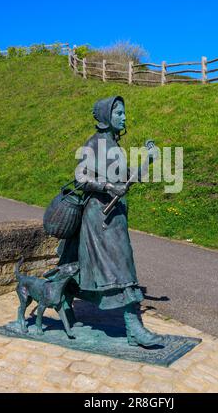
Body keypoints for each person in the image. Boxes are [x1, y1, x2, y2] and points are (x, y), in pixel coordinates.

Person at [57, 96, 164, 347]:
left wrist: (149, 159)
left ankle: (64, 297)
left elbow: (127, 181)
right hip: (99, 217)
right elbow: (80, 178)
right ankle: (134, 327)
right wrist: (107, 186)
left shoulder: (115, 147)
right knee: (122, 267)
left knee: (95, 268)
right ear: (107, 117)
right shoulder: (94, 143)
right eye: (119, 113)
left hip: (115, 217)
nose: (124, 118)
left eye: (124, 113)